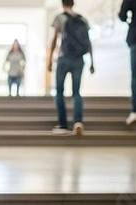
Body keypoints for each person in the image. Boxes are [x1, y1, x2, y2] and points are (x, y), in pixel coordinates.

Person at [47, 0, 95, 136]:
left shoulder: (59, 18)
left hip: (64, 58)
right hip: (79, 60)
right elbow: (88, 41)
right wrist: (92, 61)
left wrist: (50, 59)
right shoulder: (82, 19)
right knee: (76, 92)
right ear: (73, 4)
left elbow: (55, 39)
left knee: (59, 92)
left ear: (62, 3)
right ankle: (78, 121)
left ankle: (62, 124)